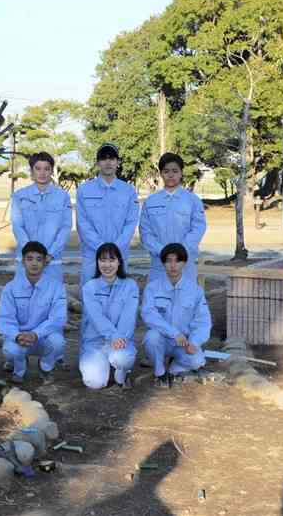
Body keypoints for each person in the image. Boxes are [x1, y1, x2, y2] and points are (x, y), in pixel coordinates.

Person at [140, 243, 212, 388]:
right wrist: (174, 333)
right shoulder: (152, 288)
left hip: (184, 343)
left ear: (184, 263)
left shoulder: (195, 290)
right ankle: (160, 373)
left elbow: (203, 321)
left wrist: (195, 342)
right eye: (168, 260)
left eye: (177, 261)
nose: (173, 265)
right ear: (163, 263)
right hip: (162, 340)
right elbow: (149, 315)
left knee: (197, 361)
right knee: (151, 338)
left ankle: (175, 367)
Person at [0, 241, 67, 384]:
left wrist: (36, 334)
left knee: (58, 343)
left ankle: (46, 368)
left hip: (43, 337)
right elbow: (5, 319)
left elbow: (58, 318)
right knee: (10, 350)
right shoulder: (11, 288)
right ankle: (19, 369)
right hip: (20, 337)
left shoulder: (56, 287)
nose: (34, 263)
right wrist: (16, 336)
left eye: (39, 259)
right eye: (29, 259)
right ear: (23, 261)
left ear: (45, 262)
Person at [76, 143, 140, 287]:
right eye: (103, 159)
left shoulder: (128, 191)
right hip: (92, 255)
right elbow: (82, 223)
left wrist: (115, 249)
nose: (108, 162)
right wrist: (101, 248)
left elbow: (131, 222)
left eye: (112, 158)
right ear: (98, 163)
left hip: (119, 255)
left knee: (118, 299)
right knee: (91, 299)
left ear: (118, 162)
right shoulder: (85, 190)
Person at [139, 152, 207, 284]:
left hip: (185, 265)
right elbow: (145, 233)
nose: (171, 175)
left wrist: (180, 253)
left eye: (175, 171)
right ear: (161, 174)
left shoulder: (192, 201)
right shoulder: (151, 202)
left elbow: (198, 228)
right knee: (158, 302)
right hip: (159, 265)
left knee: (185, 303)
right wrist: (163, 252)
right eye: (166, 171)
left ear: (181, 173)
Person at [78, 243, 139, 390]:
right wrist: (113, 336)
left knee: (121, 358)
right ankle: (101, 365)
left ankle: (122, 372)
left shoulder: (130, 285)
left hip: (121, 340)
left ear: (119, 262)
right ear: (97, 262)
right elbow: (96, 317)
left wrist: (118, 338)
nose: (107, 265)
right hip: (95, 342)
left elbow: (128, 317)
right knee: (94, 383)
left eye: (111, 260)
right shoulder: (89, 287)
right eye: (102, 260)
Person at [11, 152, 72, 282]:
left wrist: (50, 254)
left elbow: (65, 227)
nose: (42, 173)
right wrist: (31, 254)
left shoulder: (63, 197)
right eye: (38, 169)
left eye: (47, 169)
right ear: (32, 171)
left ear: (51, 171)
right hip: (26, 260)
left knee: (52, 297)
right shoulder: (20, 196)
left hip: (52, 260)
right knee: (24, 298)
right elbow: (18, 226)